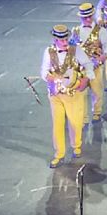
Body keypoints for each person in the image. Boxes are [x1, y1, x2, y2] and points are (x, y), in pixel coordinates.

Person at [40, 24, 90, 168]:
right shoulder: (49, 52)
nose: (64, 42)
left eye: (66, 39)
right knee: (58, 124)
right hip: (56, 94)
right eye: (61, 40)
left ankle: (76, 146)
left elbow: (88, 65)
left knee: (75, 123)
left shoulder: (76, 50)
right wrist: (49, 77)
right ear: (55, 40)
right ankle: (59, 154)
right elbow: (43, 71)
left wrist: (85, 80)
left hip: (73, 93)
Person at [69, 3, 107, 120]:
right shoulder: (75, 31)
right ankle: (84, 117)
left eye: (89, 16)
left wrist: (101, 59)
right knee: (80, 93)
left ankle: (97, 112)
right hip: (80, 69)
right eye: (84, 17)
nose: (87, 19)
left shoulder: (101, 30)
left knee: (97, 91)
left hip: (95, 67)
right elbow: (71, 48)